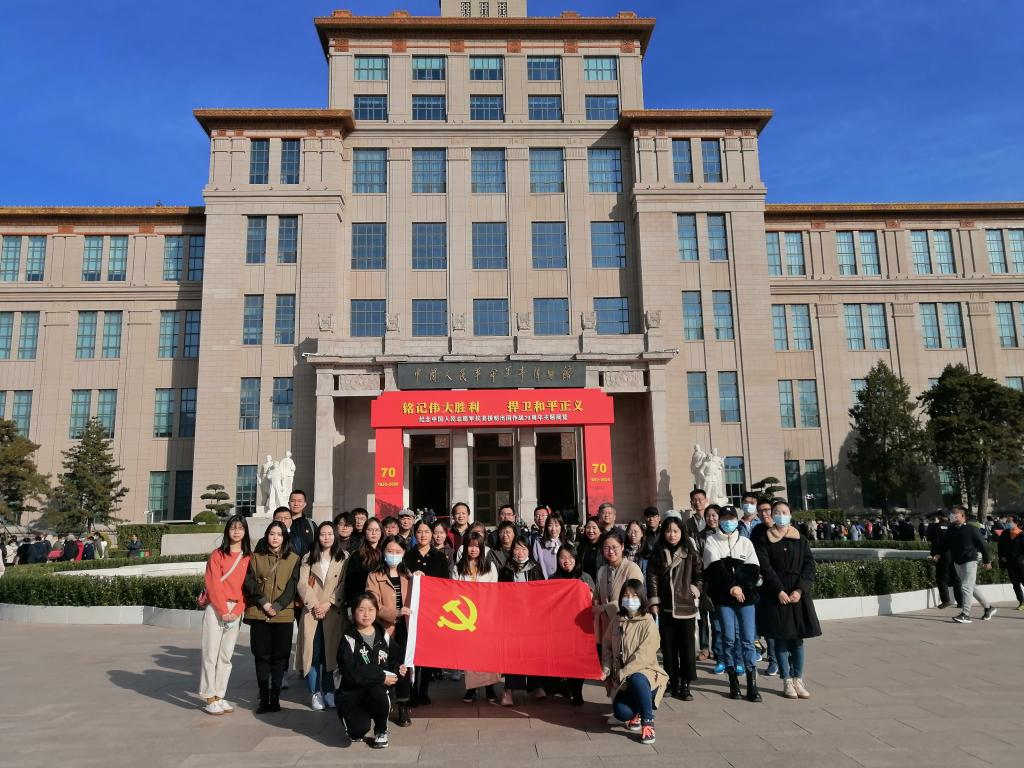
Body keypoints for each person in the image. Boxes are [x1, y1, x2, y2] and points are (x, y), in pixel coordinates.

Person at [754, 501, 822, 700]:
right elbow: (765, 567)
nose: (780, 515)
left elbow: (809, 566)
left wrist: (800, 589)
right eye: (777, 512)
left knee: (797, 639)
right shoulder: (765, 539)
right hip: (776, 595)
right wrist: (779, 590)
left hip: (797, 595)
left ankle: (798, 678)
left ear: (790, 515)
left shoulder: (800, 539)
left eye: (784, 512)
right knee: (781, 639)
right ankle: (786, 680)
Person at [703, 505, 761, 702]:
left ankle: (752, 684)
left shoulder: (745, 542)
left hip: (746, 598)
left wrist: (741, 587)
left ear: (737, 520)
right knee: (728, 638)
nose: (728, 522)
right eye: (724, 518)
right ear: (719, 521)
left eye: (731, 518)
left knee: (747, 639)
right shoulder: (711, 541)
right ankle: (733, 682)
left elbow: (754, 570)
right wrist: (731, 587)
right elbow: (714, 569)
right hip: (724, 598)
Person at [243, 520, 300, 713]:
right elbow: (249, 582)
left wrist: (277, 605)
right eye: (272, 533)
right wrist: (264, 602)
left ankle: (275, 697)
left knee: (280, 657)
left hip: (283, 615)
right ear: (266, 536)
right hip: (259, 613)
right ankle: (263, 697)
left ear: (284, 538)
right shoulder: (255, 557)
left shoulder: (293, 559)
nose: (275, 537)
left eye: (279, 534)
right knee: (261, 656)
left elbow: (293, 585)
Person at [335, 593, 405, 749]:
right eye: (361, 610)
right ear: (353, 612)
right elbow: (350, 672)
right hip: (353, 692)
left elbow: (395, 656)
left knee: (378, 692)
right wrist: (380, 676)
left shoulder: (382, 634)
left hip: (376, 690)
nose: (366, 614)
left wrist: (398, 667)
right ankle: (357, 718)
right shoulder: (348, 639)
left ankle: (381, 730)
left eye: (371, 609)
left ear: (376, 611)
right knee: (357, 732)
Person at [602, 579, 666, 746]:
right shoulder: (617, 620)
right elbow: (607, 646)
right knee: (621, 712)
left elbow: (643, 656)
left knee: (637, 678)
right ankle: (635, 712)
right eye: (626, 595)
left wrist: (623, 673)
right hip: (622, 680)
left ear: (642, 597)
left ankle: (648, 722)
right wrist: (607, 669)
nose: (630, 599)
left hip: (645, 674)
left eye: (634, 595)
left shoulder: (648, 622)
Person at [199, 515, 251, 715]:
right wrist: (223, 610)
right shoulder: (217, 555)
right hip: (216, 608)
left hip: (236, 610)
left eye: (240, 528)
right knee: (210, 654)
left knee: (226, 656)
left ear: (245, 532)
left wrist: (236, 611)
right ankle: (209, 696)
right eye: (233, 528)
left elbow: (248, 589)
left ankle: (220, 695)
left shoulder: (249, 557)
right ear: (227, 531)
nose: (236, 532)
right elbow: (213, 584)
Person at [646, 513, 701, 701]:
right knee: (668, 648)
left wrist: (695, 589)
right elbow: (651, 576)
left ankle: (685, 683)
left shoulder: (690, 552)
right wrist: (654, 600)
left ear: (682, 532)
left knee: (687, 649)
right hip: (666, 607)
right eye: (668, 531)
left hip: (686, 607)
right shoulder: (657, 552)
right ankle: (671, 681)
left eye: (676, 531)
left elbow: (699, 574)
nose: (672, 535)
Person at [297, 521, 347, 711]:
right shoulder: (309, 557)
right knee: (313, 653)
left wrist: (329, 603)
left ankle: (329, 691)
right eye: (322, 534)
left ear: (335, 536)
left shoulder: (344, 557)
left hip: (332, 611)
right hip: (312, 612)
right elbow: (302, 584)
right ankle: (314, 692)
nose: (326, 537)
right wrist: (315, 605)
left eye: (330, 534)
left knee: (329, 653)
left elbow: (344, 584)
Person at [366, 536, 413, 727]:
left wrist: (420, 579)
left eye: (398, 552)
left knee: (404, 666)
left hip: (406, 628)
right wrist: (396, 613)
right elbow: (373, 604)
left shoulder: (409, 575)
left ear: (404, 553)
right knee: (384, 666)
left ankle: (403, 707)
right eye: (390, 551)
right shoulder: (374, 576)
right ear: (383, 552)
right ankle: (381, 705)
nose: (394, 555)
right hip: (384, 628)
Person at [403, 519, 449, 706]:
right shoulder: (407, 556)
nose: (423, 535)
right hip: (412, 609)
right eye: (419, 532)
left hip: (431, 610)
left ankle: (424, 690)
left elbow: (445, 584)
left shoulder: (440, 558)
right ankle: (412, 691)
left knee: (428, 652)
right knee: (412, 650)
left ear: (432, 535)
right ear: (415, 534)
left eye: (426, 532)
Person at [450, 530, 499, 702]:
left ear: (482, 548)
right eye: (470, 546)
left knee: (488, 653)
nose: (473, 550)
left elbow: (494, 592)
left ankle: (490, 688)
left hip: (485, 615)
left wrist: (488, 613)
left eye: (477, 546)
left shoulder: (490, 567)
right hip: (466, 616)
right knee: (469, 654)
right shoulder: (458, 568)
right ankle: (471, 688)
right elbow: (454, 592)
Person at [498, 535, 545, 704]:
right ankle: (508, 690)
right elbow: (500, 593)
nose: (520, 552)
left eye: (524, 549)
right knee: (513, 654)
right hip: (512, 618)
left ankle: (536, 685)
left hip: (531, 618)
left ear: (529, 551)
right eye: (517, 548)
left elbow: (543, 592)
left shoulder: (535, 568)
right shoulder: (506, 569)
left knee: (533, 652)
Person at [933, 505, 997, 624]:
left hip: (970, 561)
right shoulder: (951, 529)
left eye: (955, 514)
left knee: (966, 587)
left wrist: (987, 561)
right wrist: (938, 553)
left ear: (962, 516)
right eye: (951, 514)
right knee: (971, 587)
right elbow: (945, 543)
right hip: (957, 562)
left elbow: (983, 545)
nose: (952, 516)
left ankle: (965, 614)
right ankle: (989, 608)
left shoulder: (972, 529)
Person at [550, 543, 596, 706]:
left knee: (579, 659)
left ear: (576, 559)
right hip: (561, 627)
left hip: (580, 626)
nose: (567, 561)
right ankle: (566, 685)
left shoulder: (585, 578)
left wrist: (587, 593)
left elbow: (593, 600)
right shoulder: (553, 579)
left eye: (570, 557)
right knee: (565, 659)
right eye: (562, 558)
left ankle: (577, 690)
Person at [595, 529, 645, 657]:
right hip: (607, 627)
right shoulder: (602, 571)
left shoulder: (632, 568)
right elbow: (597, 596)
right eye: (606, 548)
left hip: (627, 625)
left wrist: (605, 607)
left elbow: (635, 599)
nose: (610, 551)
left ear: (622, 547)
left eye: (614, 547)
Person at [694, 505, 720, 664]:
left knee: (717, 617)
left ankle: (717, 648)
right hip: (704, 580)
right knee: (703, 617)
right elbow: (697, 558)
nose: (711, 518)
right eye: (708, 516)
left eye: (714, 515)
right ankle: (704, 647)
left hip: (719, 581)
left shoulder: (724, 535)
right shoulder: (699, 536)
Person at [344, 517, 383, 610]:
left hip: (384, 601)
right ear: (365, 532)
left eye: (377, 530)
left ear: (381, 532)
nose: (374, 533)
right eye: (370, 530)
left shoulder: (386, 552)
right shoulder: (357, 555)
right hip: (364, 602)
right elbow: (351, 583)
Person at [927, 514, 962, 610]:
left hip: (941, 555)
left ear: (939, 517)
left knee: (941, 578)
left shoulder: (934, 526)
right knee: (956, 578)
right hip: (954, 555)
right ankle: (961, 601)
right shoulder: (954, 526)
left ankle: (946, 600)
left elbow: (929, 538)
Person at [997, 515, 1024, 610]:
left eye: (1009, 521)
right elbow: (1000, 547)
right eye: (1006, 521)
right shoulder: (1004, 534)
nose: (1007, 523)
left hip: (1021, 563)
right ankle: (1022, 602)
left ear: (1015, 523)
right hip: (1010, 563)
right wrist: (1002, 557)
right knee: (1015, 584)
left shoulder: (1021, 534)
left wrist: (1021, 559)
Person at [532, 511, 566, 579]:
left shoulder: (566, 543)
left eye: (556, 525)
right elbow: (535, 564)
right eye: (550, 525)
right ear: (546, 527)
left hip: (563, 582)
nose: (553, 529)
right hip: (544, 581)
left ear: (561, 527)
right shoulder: (539, 543)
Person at [288, 490, 316, 557]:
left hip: (307, 562)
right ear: (289, 503)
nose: (296, 504)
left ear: (304, 504)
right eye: (293, 501)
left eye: (299, 501)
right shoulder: (283, 523)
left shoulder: (311, 524)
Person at [577, 517, 602, 582]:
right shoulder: (581, 546)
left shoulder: (604, 547)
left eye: (594, 528)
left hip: (600, 583)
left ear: (600, 530)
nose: (591, 531)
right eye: (588, 527)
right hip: (584, 582)